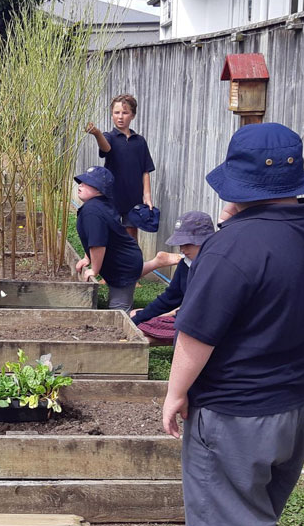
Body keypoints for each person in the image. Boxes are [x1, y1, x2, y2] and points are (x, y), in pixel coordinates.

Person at [162, 123, 304, 526]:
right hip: (295, 394)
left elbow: (196, 335)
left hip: (239, 404)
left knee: (245, 507)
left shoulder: (231, 246)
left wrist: (175, 393)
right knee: (253, 493)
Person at [131, 211, 216, 345]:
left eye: (188, 244)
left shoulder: (217, 267)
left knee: (145, 333)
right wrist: (138, 319)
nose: (182, 249)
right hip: (186, 317)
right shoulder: (185, 263)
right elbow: (170, 297)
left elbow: (205, 307)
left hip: (206, 324)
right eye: (180, 244)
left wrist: (173, 316)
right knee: (136, 316)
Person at [72, 166, 143, 311]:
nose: (81, 185)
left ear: (100, 190)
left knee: (118, 312)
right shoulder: (99, 205)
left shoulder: (92, 212)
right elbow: (93, 237)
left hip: (123, 269)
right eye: (81, 182)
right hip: (124, 260)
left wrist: (94, 270)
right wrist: (87, 258)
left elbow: (98, 244)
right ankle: (158, 261)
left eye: (87, 183)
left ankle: (143, 317)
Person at [85, 93, 155, 240]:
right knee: (112, 234)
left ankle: (131, 263)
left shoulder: (140, 141)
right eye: (116, 113)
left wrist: (147, 196)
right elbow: (106, 148)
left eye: (125, 113)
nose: (120, 117)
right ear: (111, 116)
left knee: (131, 237)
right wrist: (97, 134)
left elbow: (145, 170)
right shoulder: (108, 137)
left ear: (133, 115)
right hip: (113, 198)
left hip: (134, 199)